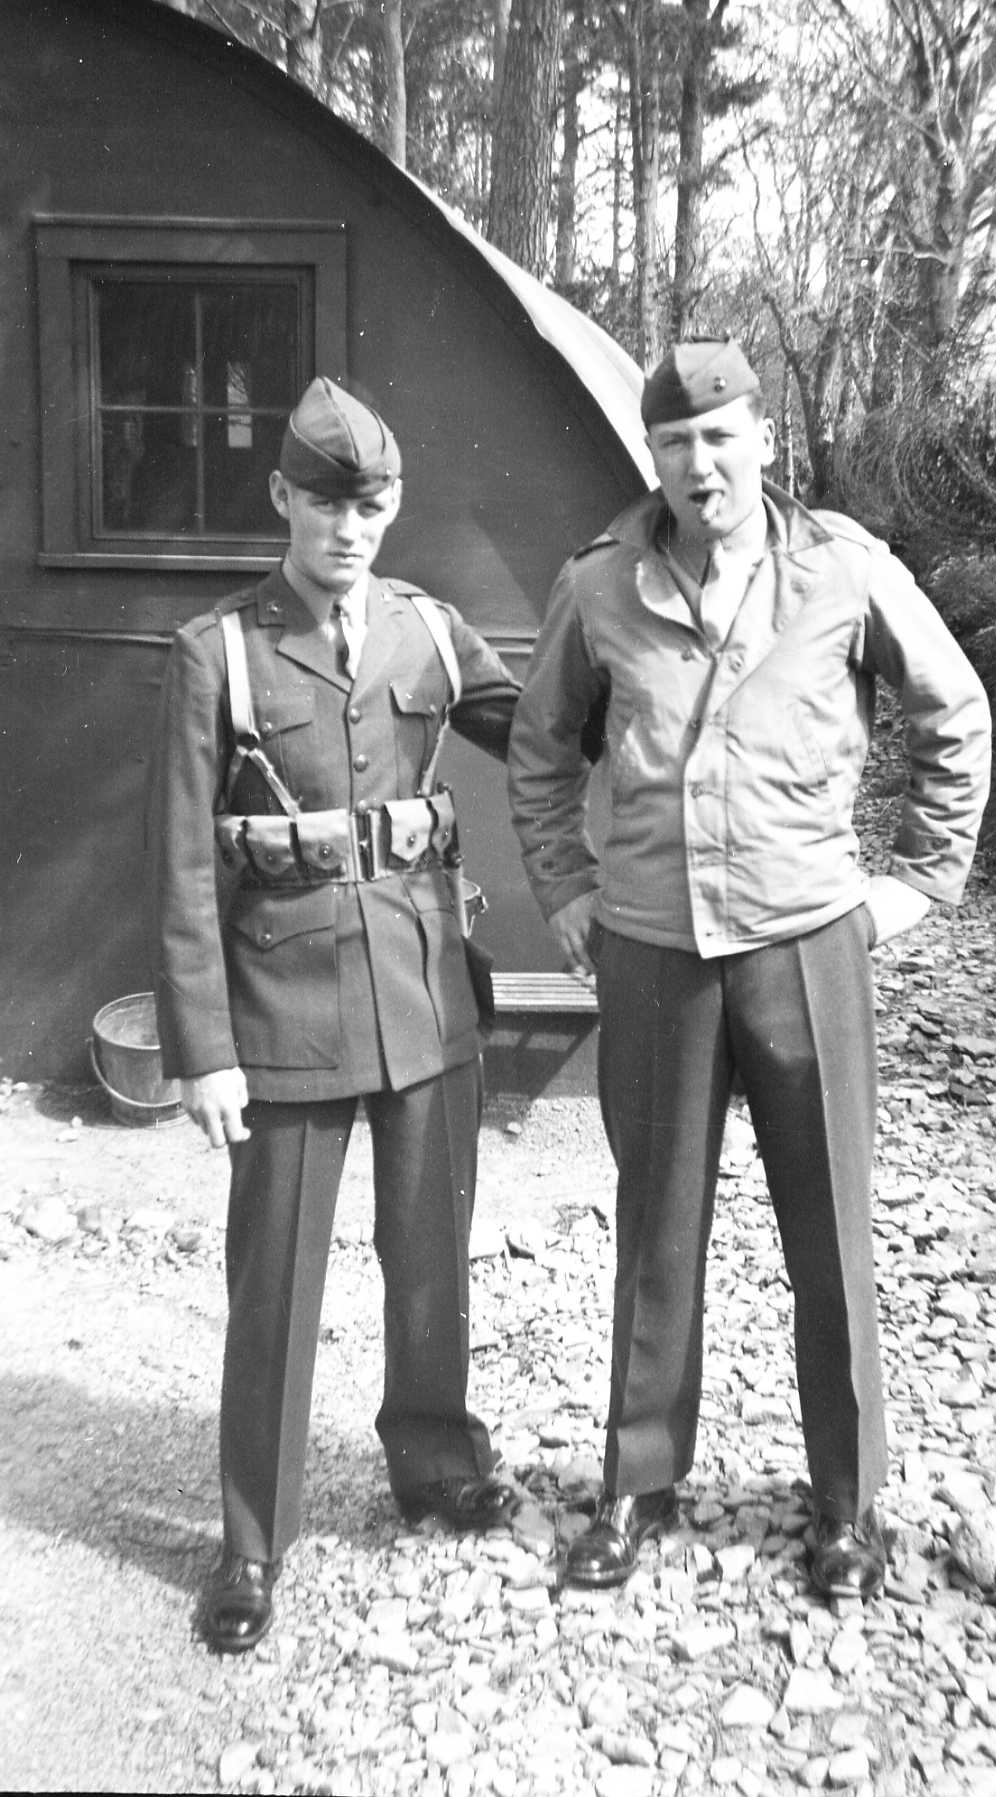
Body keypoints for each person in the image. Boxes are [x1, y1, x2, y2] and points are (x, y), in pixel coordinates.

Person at [508, 338, 991, 1602]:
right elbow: (540, 747)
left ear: (762, 441)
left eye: (719, 438)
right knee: (654, 1229)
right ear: (652, 457)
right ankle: (637, 1482)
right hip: (654, 949)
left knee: (827, 1228)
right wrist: (566, 889)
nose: (699, 465)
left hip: (803, 942)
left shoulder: (841, 569)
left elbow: (953, 711)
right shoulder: (600, 583)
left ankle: (846, 1503)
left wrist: (916, 881)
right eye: (674, 444)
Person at [148, 377, 522, 1654]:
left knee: (431, 1252)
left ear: (393, 506)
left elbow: (547, 735)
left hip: (422, 995)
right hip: (284, 1012)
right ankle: (252, 1539)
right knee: (275, 1282)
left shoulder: (429, 631)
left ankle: (436, 1461)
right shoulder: (219, 652)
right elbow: (182, 865)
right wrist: (204, 1051)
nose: (347, 527)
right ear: (282, 499)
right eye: (324, 503)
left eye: (369, 505)